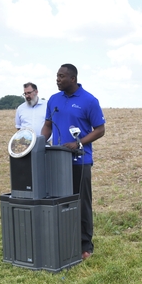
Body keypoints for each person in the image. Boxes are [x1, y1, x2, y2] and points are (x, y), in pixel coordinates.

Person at [41, 63, 106, 260]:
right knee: (59, 202)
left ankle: (85, 246)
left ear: (73, 79)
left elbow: (100, 130)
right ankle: (63, 241)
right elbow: (47, 126)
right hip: (56, 160)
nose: (57, 79)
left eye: (61, 76)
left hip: (80, 161)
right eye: (57, 76)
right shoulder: (53, 100)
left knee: (81, 203)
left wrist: (78, 143)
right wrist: (38, 144)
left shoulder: (89, 100)